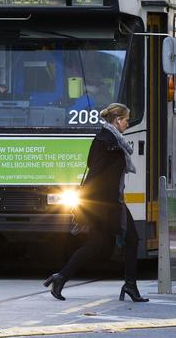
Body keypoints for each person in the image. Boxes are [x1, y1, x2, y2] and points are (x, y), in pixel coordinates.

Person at [44, 103, 148, 303]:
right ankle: (130, 285)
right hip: (107, 203)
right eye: (126, 119)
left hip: (106, 202)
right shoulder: (109, 142)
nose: (127, 123)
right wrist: (92, 202)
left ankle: (61, 277)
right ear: (117, 120)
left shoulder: (108, 139)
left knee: (97, 243)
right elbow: (96, 171)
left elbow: (93, 167)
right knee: (131, 238)